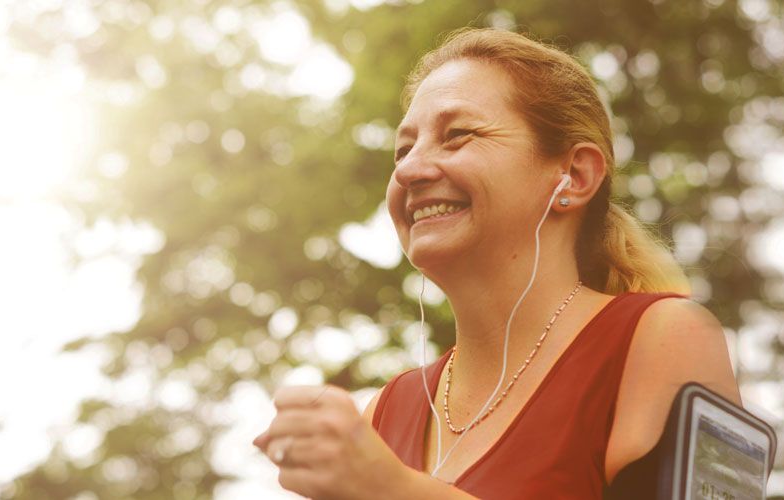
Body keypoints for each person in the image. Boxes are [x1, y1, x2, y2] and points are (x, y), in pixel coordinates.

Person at [253, 27, 742, 499]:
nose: (408, 169)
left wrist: (394, 489)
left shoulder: (665, 338)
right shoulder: (383, 412)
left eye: (457, 135)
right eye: (403, 149)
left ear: (572, 176)